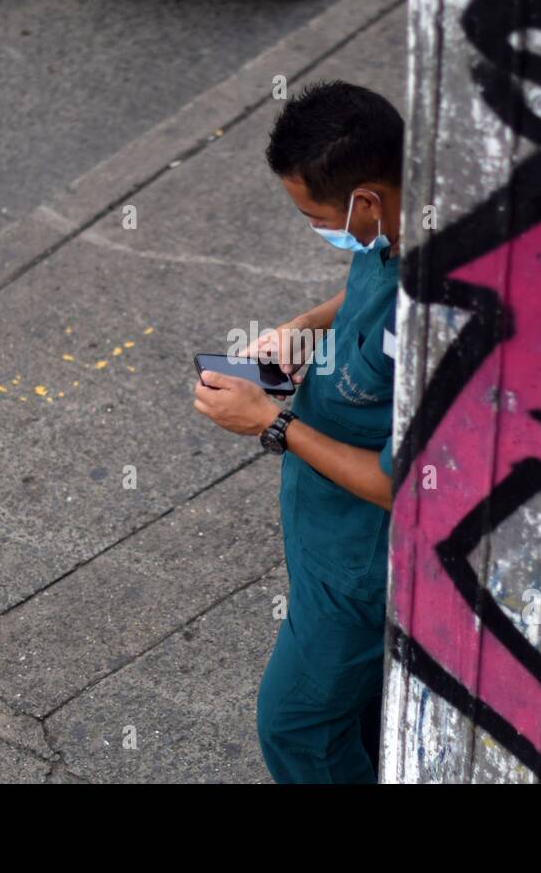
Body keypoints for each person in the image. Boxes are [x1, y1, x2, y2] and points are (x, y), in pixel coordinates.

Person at [192, 79, 402, 783]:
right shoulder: (398, 225)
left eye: (316, 215)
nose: (318, 228)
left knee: (296, 726)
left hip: (363, 570)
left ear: (366, 201)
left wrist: (272, 422)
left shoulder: (436, 319)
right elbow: (368, 277)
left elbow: (402, 488)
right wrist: (304, 327)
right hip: (325, 543)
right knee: (372, 714)